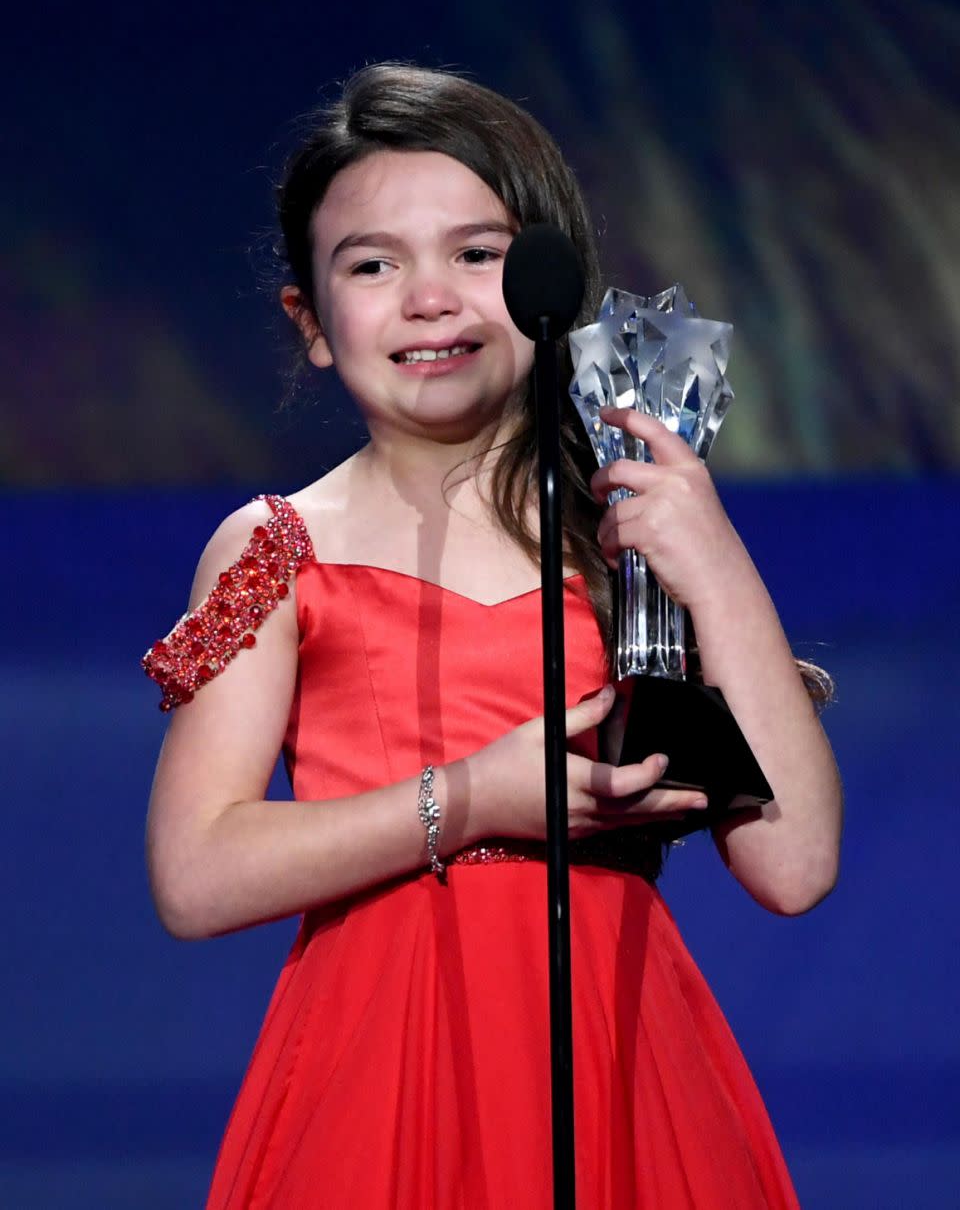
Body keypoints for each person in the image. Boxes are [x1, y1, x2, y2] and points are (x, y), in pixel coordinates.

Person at [143, 63, 842, 1209]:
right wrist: (473, 796)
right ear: (311, 322)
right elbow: (195, 870)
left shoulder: (634, 535)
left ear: (549, 278)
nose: (432, 298)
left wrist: (713, 560)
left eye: (476, 253)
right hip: (377, 1080)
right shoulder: (275, 546)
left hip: (623, 1061)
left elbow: (796, 863)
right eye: (374, 264)